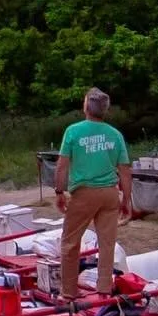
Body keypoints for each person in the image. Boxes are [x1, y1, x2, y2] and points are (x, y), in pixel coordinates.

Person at [53, 88, 131, 301]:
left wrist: (59, 191)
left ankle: (68, 292)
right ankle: (104, 288)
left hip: (84, 192)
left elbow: (62, 166)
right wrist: (127, 200)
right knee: (107, 243)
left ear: (86, 107)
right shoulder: (115, 135)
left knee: (70, 242)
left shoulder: (73, 131)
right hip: (109, 193)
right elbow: (125, 169)